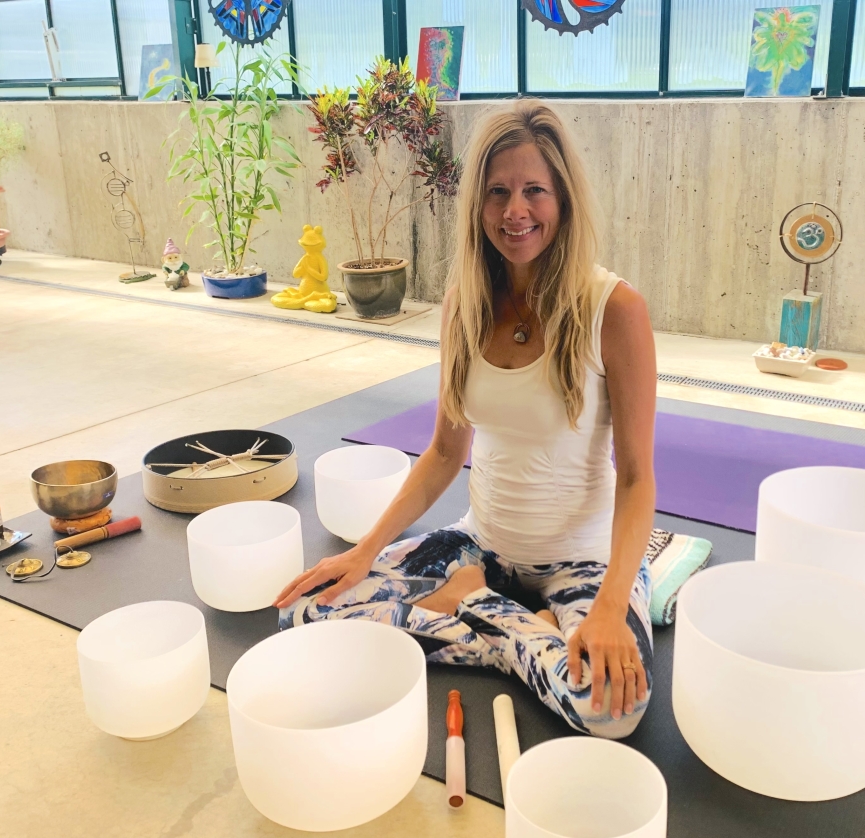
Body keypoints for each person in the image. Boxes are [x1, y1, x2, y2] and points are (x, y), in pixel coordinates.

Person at [274, 100, 657, 739]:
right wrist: (364, 553)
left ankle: (479, 610)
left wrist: (613, 604)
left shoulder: (614, 309)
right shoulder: (465, 304)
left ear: (563, 199)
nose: (515, 211)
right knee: (308, 612)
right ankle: (499, 616)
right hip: (480, 544)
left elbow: (639, 478)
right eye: (498, 192)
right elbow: (445, 453)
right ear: (477, 205)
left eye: (535, 190)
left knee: (609, 709)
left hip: (585, 560)